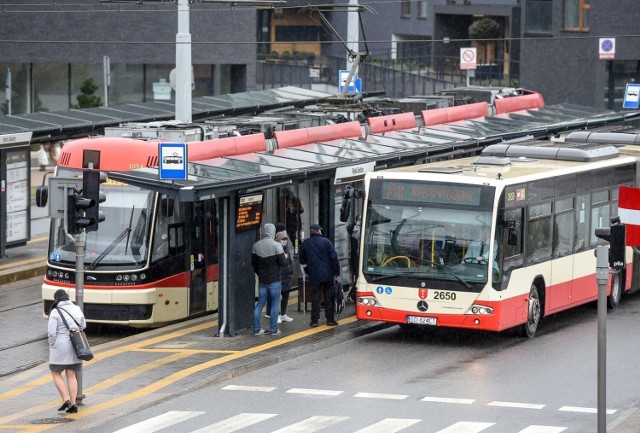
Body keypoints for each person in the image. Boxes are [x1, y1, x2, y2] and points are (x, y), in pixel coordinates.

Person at [47, 289, 87, 414]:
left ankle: (66, 399)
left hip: (60, 347)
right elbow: (83, 325)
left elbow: (52, 333)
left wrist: (52, 344)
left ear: (56, 300)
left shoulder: (55, 312)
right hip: (75, 346)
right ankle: (74, 403)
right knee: (71, 375)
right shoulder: (77, 308)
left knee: (56, 373)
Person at [299, 223, 341, 327]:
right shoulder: (326, 242)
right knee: (329, 296)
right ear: (318, 231)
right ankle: (330, 319)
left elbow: (302, 259)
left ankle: (314, 321)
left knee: (315, 297)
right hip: (328, 274)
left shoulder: (306, 243)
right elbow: (334, 258)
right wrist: (337, 272)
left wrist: (307, 271)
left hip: (314, 275)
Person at [252, 223, 288, 336]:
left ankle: (257, 329)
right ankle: (273, 330)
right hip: (275, 280)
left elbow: (254, 264)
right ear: (273, 232)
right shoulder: (276, 245)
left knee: (259, 304)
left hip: (263, 281)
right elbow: (283, 263)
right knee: (275, 304)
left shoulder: (256, 245)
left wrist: (261, 274)